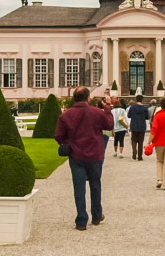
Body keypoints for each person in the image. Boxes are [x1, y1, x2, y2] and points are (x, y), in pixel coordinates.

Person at [53, 87, 114, 230]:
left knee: (79, 187)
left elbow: (58, 136)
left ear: (74, 98)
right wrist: (107, 109)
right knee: (95, 184)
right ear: (88, 98)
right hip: (95, 154)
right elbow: (109, 125)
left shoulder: (66, 115)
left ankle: (81, 220)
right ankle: (97, 215)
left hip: (76, 155)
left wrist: (68, 143)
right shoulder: (97, 112)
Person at [126, 96, 150, 161]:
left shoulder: (132, 107)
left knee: (133, 140)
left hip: (134, 125)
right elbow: (147, 117)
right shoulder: (145, 108)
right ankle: (140, 156)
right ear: (142, 100)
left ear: (136, 100)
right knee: (140, 141)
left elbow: (129, 116)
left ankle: (134, 151)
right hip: (142, 126)